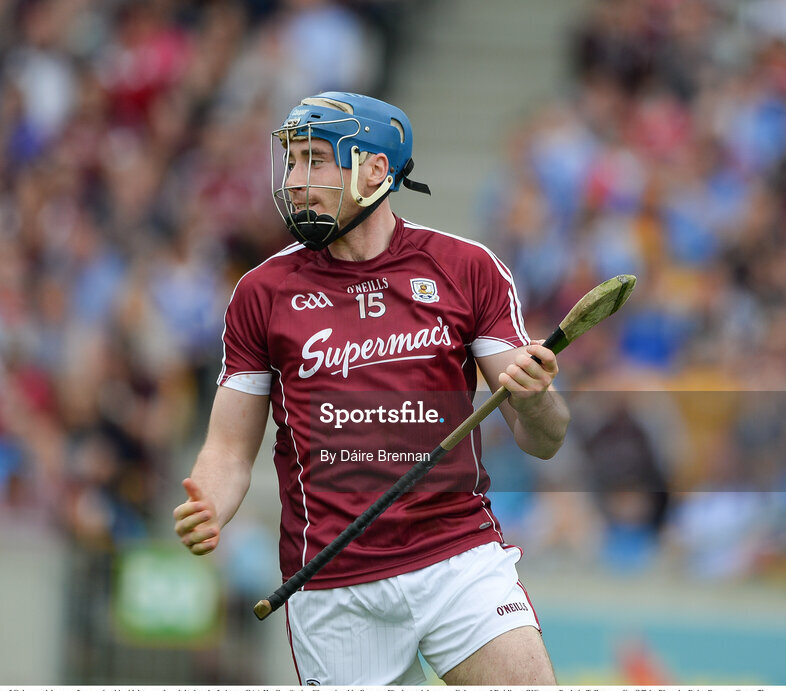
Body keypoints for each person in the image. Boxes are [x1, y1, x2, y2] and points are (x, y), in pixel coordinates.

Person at [173, 92, 570, 685]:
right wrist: (208, 503)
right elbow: (229, 451)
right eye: (292, 162)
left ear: (375, 170)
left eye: (315, 160)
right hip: (332, 578)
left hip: (457, 557)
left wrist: (535, 395)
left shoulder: (466, 269)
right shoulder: (262, 293)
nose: (296, 181)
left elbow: (543, 440)